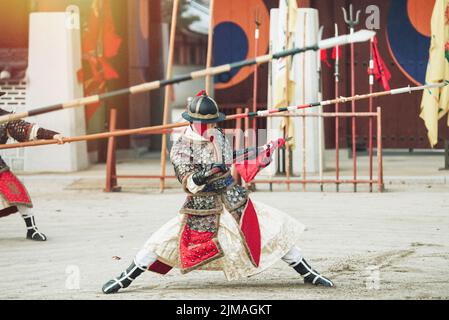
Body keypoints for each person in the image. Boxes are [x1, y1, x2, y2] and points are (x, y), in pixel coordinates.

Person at [102, 91, 334, 294]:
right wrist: (207, 172)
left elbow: (232, 157)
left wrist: (260, 150)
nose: (208, 127)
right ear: (191, 121)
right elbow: (188, 182)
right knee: (160, 241)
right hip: (201, 205)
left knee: (273, 228)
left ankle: (308, 273)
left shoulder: (219, 135)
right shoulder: (182, 146)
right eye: (204, 123)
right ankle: (126, 278)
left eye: (211, 122)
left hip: (233, 198)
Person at [0, 91, 64, 241]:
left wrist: (53, 135)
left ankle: (32, 229)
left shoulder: (5, 118)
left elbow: (27, 129)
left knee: (16, 191)